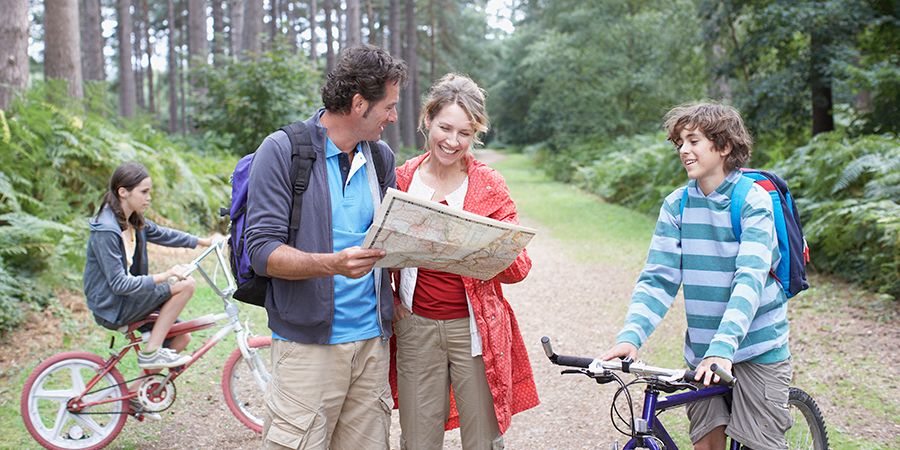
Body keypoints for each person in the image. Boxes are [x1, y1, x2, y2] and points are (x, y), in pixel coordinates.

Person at [600, 102, 792, 450]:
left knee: (760, 444)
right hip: (704, 354)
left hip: (755, 348)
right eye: (680, 144)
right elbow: (658, 280)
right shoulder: (677, 206)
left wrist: (723, 347)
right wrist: (631, 337)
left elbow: (749, 278)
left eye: (693, 141)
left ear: (724, 146)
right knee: (705, 445)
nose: (684, 151)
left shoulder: (753, 201)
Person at [243, 44, 407, 450]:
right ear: (357, 104)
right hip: (306, 349)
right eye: (388, 106)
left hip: (371, 344)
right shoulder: (282, 151)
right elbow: (262, 251)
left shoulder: (381, 158)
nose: (393, 116)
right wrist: (331, 264)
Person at [390, 73, 539, 450]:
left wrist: (488, 246)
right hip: (415, 327)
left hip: (475, 331)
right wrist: (389, 303)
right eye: (445, 128)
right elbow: (380, 252)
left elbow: (519, 268)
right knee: (418, 441)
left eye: (465, 133)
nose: (452, 142)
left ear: (476, 134)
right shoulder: (403, 178)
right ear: (428, 120)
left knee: (483, 442)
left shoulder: (488, 183)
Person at [84, 161, 212, 371]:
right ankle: (152, 351)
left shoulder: (131, 219)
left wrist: (203, 241)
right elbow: (119, 284)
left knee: (181, 337)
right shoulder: (106, 230)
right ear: (123, 192)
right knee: (186, 284)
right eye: (144, 192)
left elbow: (163, 234)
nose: (148, 197)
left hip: (128, 299)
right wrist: (167, 274)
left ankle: (137, 398)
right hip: (112, 305)